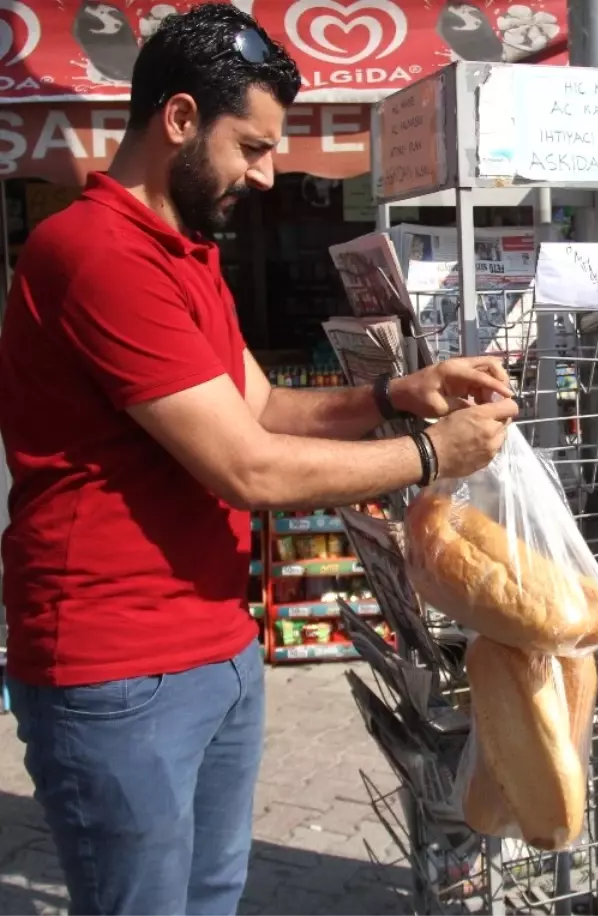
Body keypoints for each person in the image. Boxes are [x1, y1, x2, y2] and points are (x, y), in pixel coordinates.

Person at [0, 6, 517, 916]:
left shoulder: (187, 251)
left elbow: (262, 406)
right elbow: (250, 469)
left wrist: (397, 398)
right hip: (117, 668)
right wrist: (430, 454)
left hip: (215, 646)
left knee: (212, 898)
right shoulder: (93, 253)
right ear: (181, 120)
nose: (270, 173)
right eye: (254, 146)